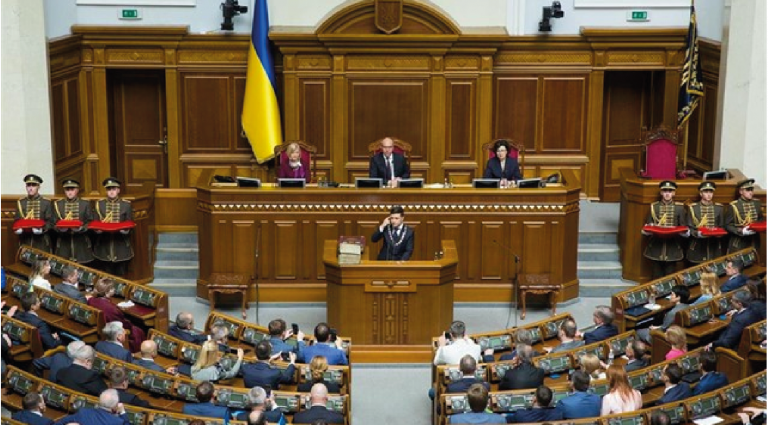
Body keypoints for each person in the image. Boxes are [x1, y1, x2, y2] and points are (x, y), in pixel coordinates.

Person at [642, 180, 688, 278]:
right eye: (665, 191)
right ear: (661, 192)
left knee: (670, 276)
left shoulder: (679, 208)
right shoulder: (654, 207)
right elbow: (648, 225)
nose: (667, 194)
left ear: (674, 193)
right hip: (656, 246)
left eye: (670, 191)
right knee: (656, 275)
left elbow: (683, 226)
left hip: (672, 246)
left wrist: (682, 231)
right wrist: (649, 229)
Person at [88, 278, 145, 352]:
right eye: (112, 288)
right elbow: (123, 324)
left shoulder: (91, 300)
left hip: (101, 328)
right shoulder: (111, 309)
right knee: (138, 331)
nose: (114, 289)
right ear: (107, 291)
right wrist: (130, 324)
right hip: (111, 331)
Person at [92, 177, 133, 276]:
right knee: (106, 276)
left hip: (121, 246)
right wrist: (98, 230)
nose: (111, 191)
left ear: (118, 190)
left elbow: (130, 223)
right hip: (103, 246)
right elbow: (95, 222)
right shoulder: (99, 204)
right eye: (109, 189)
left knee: (121, 276)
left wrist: (125, 230)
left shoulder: (126, 205)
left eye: (114, 189)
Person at [54, 178, 95, 264]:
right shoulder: (58, 204)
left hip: (81, 245)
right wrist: (59, 229)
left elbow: (91, 222)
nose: (69, 192)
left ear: (77, 190)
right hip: (63, 245)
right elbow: (53, 222)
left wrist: (82, 228)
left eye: (72, 189)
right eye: (67, 189)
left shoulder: (85, 203)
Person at [687, 181, 725, 263]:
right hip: (697, 247)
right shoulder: (693, 208)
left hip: (714, 246)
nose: (709, 194)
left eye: (711, 192)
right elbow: (689, 228)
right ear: (701, 193)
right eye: (706, 192)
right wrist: (697, 233)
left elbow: (722, 226)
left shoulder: (719, 208)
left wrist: (719, 233)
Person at [14, 174, 54, 252]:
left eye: (34, 185)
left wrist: (42, 229)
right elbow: (17, 220)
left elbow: (50, 222)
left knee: (42, 259)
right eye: (28, 185)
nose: (31, 188)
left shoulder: (46, 202)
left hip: (41, 241)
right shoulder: (21, 202)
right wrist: (18, 228)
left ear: (38, 186)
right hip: (25, 240)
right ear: (26, 187)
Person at [725, 178, 764, 253]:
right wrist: (741, 231)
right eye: (748, 190)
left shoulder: (757, 203)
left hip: (754, 241)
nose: (751, 192)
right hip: (739, 242)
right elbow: (727, 225)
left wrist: (758, 228)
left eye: (751, 190)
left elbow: (760, 220)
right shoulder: (734, 205)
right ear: (741, 191)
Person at [53, 389, 130, 425]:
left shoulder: (84, 413)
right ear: (114, 406)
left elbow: (61, 422)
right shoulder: (117, 422)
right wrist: (123, 412)